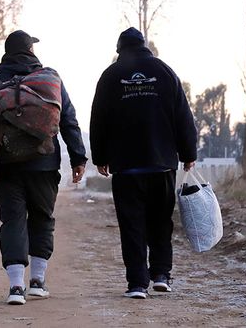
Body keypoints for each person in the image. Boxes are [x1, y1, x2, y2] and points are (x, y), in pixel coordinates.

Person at [0, 30, 88, 305]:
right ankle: (38, 282)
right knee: (42, 218)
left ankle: (16, 287)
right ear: (31, 51)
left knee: (13, 220)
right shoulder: (49, 80)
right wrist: (78, 157)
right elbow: (68, 120)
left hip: (5, 166)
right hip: (43, 164)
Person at [89, 27, 198, 299]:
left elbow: (98, 120)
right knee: (161, 222)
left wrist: (100, 157)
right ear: (144, 46)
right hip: (162, 164)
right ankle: (161, 274)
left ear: (119, 50)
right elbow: (183, 116)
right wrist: (188, 153)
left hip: (127, 168)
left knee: (132, 225)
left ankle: (137, 283)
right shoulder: (164, 72)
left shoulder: (110, 76)